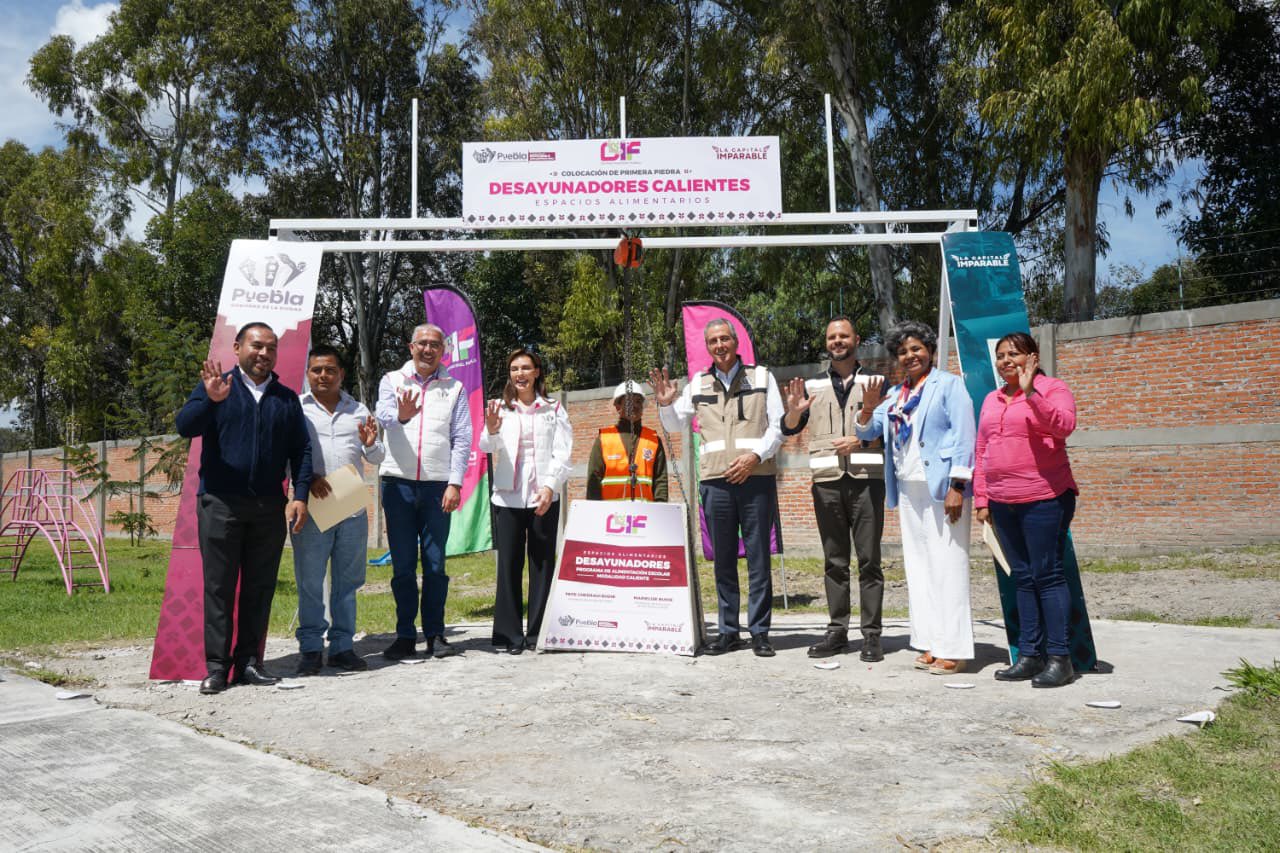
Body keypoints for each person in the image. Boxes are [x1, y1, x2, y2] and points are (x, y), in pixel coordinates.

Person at [176, 322, 311, 695]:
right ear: (237, 348)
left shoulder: (286, 399)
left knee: (259, 587)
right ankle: (217, 668)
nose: (264, 354)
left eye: (271, 348)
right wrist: (209, 400)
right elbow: (185, 426)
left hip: (269, 507)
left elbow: (301, 451)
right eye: (257, 346)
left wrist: (299, 494)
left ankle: (249, 662)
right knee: (219, 590)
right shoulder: (218, 387)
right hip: (220, 504)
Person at [650, 318, 784, 658]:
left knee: (758, 559)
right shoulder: (698, 383)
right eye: (713, 341)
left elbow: (779, 427)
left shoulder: (762, 377)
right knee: (723, 560)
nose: (720, 345)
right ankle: (728, 632)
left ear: (735, 341)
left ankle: (760, 632)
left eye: (725, 338)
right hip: (715, 482)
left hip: (756, 478)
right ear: (707, 346)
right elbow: (674, 423)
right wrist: (665, 403)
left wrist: (755, 457)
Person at [856, 320, 975, 675]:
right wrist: (867, 408)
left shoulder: (950, 386)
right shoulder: (895, 395)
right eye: (903, 351)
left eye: (916, 349)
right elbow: (867, 431)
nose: (910, 356)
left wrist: (958, 485)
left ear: (930, 351)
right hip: (908, 488)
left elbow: (965, 435)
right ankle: (929, 642)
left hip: (942, 488)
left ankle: (953, 647)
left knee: (948, 565)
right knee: (920, 568)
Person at [974, 332, 1080, 688]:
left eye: (1014, 354)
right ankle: (1030, 656)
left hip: (1044, 497)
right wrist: (982, 498)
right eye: (1001, 356)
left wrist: (1031, 391)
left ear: (1033, 357)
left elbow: (1063, 426)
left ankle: (1060, 658)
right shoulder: (991, 398)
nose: (1006, 361)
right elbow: (982, 449)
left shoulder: (1053, 389)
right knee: (1022, 577)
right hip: (1003, 502)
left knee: (1047, 575)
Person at [781, 317, 887, 662]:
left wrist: (862, 438)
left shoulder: (876, 382)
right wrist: (794, 414)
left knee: (869, 560)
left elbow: (890, 430)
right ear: (826, 342)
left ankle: (871, 635)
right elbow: (791, 427)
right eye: (832, 337)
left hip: (867, 481)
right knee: (834, 561)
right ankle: (837, 631)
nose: (837, 341)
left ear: (857, 339)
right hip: (826, 482)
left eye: (843, 335)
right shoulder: (813, 385)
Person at [375, 322, 473, 660]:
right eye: (422, 343)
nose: (428, 349)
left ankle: (435, 634)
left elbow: (462, 439)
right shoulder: (391, 380)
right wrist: (401, 416)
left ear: (443, 351)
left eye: (435, 344)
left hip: (437, 488)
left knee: (434, 565)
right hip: (397, 485)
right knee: (402, 565)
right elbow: (383, 415)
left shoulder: (455, 387)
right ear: (410, 346)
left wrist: (455, 482)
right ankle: (404, 635)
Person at [290, 345, 385, 675]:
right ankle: (311, 650)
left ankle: (343, 646)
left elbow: (376, 459)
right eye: (316, 370)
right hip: (311, 506)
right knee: (310, 581)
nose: (323, 375)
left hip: (350, 507)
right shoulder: (296, 409)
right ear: (308, 374)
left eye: (330, 370)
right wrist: (305, 479)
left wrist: (371, 443)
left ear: (341, 374)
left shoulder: (358, 410)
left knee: (348, 582)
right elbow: (286, 454)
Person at [478, 348, 573, 654]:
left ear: (537, 372)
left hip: (543, 495)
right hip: (507, 497)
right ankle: (508, 635)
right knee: (508, 564)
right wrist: (491, 430)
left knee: (542, 563)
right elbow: (485, 445)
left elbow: (564, 451)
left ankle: (538, 633)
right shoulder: (498, 408)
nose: (520, 374)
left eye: (525, 368)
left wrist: (549, 486)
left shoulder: (554, 409)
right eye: (514, 369)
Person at [586, 380, 669, 502]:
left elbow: (660, 480)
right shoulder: (604, 439)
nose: (635, 406)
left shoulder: (653, 440)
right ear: (618, 407)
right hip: (611, 516)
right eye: (629, 401)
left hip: (645, 515)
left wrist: (661, 508)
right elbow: (594, 480)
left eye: (638, 402)